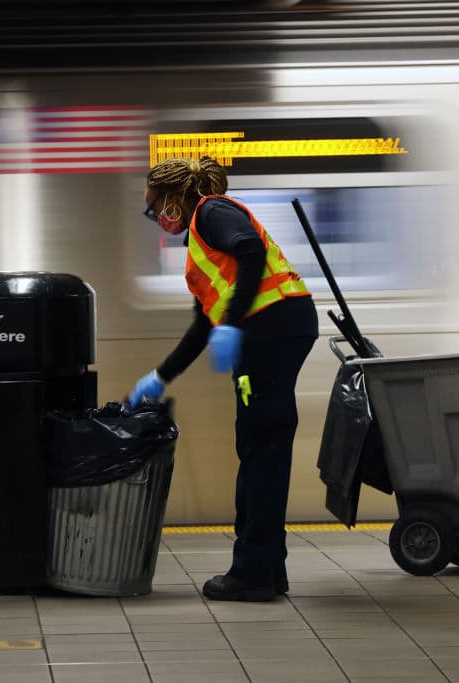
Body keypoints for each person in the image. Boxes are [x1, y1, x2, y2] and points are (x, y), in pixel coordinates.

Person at [127, 155, 318, 602]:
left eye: (155, 207)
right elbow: (202, 326)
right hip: (271, 329)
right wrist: (160, 377)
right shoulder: (201, 244)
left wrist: (233, 323)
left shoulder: (212, 211)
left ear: (175, 196)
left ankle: (253, 574)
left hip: (268, 331)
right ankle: (267, 569)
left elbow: (250, 248)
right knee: (260, 448)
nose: (156, 218)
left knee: (260, 449)